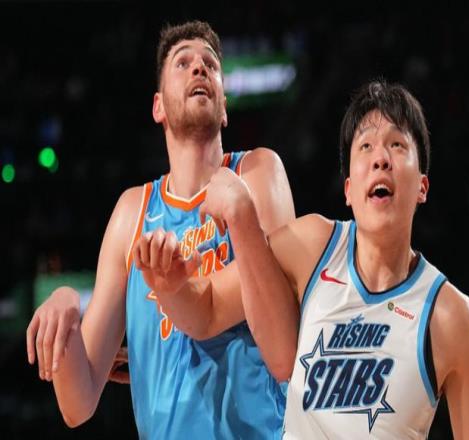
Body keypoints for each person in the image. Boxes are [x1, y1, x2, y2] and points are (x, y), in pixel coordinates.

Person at [133, 80, 469, 439]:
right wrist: (171, 288)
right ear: (349, 189)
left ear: (422, 187)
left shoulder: (450, 316)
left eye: (397, 145)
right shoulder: (311, 247)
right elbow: (207, 309)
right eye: (365, 146)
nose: (381, 158)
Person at [26, 21, 295, 439]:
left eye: (210, 64)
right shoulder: (132, 212)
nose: (199, 68)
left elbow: (281, 325)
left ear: (224, 107)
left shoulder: (256, 173)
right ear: (159, 107)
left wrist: (179, 291)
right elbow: (78, 403)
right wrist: (66, 312)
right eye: (183, 63)